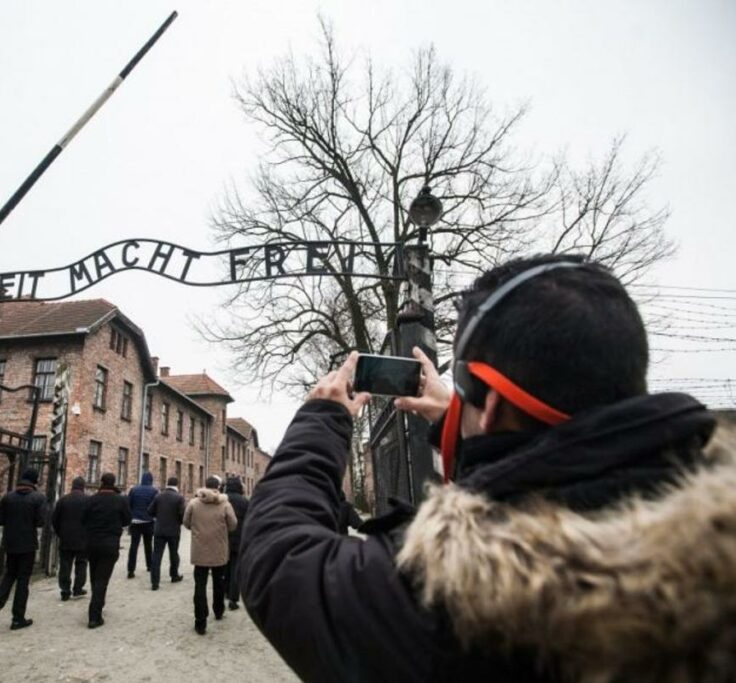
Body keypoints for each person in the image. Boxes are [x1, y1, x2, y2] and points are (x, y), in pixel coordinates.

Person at [240, 255, 735, 681]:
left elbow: (277, 559)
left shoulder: (457, 596)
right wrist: (461, 418)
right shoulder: (715, 538)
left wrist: (321, 420)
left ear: (493, 402)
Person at [0, 466, 46, 630]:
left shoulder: (8, 497)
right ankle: (18, 618)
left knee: (9, 574)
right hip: (27, 545)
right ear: (34, 481)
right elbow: (41, 521)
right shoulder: (38, 498)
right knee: (23, 580)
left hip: (10, 543)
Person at [184, 476, 237, 635]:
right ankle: (219, 610)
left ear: (205, 486)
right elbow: (233, 525)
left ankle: (200, 621)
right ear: (218, 487)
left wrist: (197, 530)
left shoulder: (194, 503)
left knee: (199, 585)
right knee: (218, 582)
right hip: (219, 549)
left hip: (199, 550)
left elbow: (186, 522)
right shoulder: (225, 504)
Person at [82, 472, 131, 629]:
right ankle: (94, 616)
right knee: (102, 578)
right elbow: (127, 520)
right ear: (114, 482)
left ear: (101, 482)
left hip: (92, 542)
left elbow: (83, 519)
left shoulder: (91, 500)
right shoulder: (120, 500)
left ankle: (97, 603)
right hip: (110, 543)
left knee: (95, 575)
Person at [51, 476, 89, 601]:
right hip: (83, 538)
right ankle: (78, 588)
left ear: (73, 486)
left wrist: (60, 533)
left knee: (65, 564)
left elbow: (55, 519)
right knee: (81, 563)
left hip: (66, 538)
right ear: (83, 487)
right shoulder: (88, 500)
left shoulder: (63, 500)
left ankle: (65, 590)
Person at [147, 475, 186, 590]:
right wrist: (178, 522)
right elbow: (182, 515)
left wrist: (158, 517)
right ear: (177, 485)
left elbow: (150, 511)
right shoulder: (179, 498)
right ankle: (174, 575)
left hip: (159, 530)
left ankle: (155, 582)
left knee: (156, 555)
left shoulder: (159, 496)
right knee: (173, 554)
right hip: (173, 531)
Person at [222, 476, 248, 610]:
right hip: (239, 539)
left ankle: (225, 591)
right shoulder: (244, 501)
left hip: (223, 538)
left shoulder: (221, 499)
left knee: (224, 566)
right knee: (235, 568)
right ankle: (233, 598)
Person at [126, 471, 158, 578]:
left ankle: (131, 570)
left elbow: (129, 504)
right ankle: (149, 565)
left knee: (133, 546)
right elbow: (155, 506)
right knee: (148, 544)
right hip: (148, 521)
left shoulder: (133, 490)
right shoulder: (154, 491)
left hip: (135, 521)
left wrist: (131, 517)